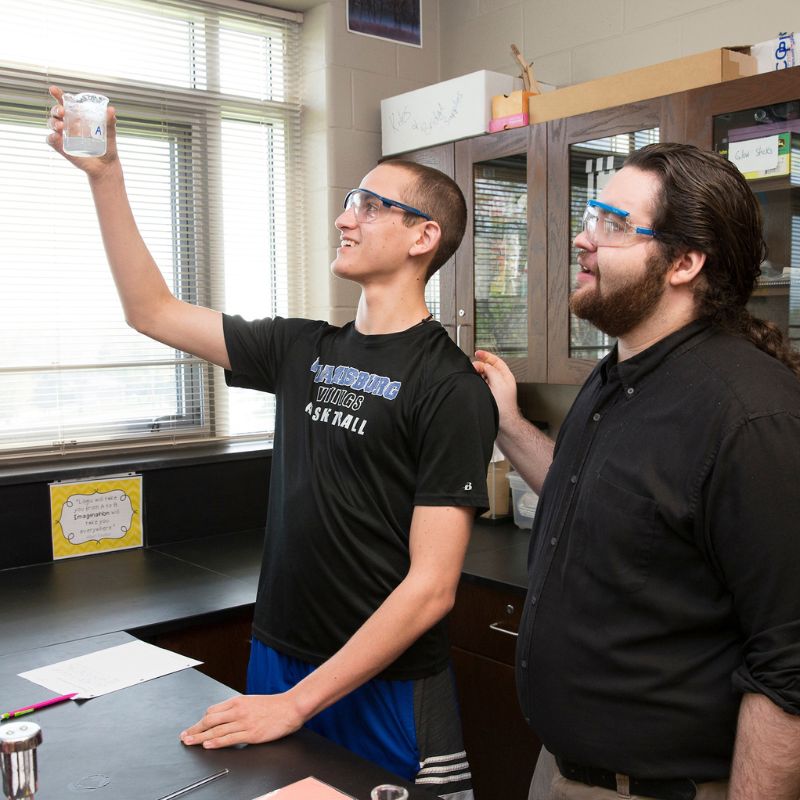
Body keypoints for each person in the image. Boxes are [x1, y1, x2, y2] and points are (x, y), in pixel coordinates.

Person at [47, 85, 497, 798]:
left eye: (372, 206)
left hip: (386, 684)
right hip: (277, 658)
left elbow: (431, 589)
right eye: (351, 199)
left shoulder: (451, 387)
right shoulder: (300, 349)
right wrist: (107, 176)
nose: (347, 218)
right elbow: (152, 311)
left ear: (423, 237)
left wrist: (299, 703)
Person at [474, 142, 800, 800]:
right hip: (564, 771)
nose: (582, 238)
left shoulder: (751, 417)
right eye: (592, 217)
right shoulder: (619, 371)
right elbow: (583, 489)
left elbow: (789, 663)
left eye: (612, 225)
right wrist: (509, 421)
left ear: (684, 263)